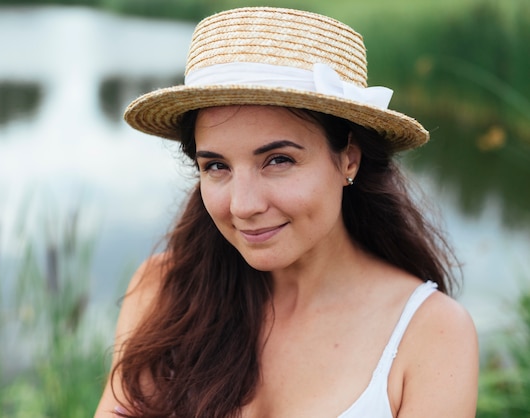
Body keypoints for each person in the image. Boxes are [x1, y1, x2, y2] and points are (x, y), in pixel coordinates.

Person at [95, 7, 479, 418]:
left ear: (349, 158)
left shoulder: (430, 334)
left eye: (277, 160)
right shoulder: (162, 293)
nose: (243, 205)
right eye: (217, 166)